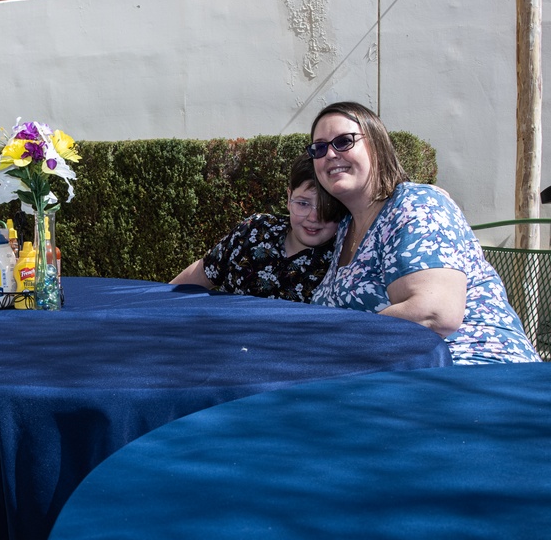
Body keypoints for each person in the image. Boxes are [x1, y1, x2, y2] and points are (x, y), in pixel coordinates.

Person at [307, 101, 539, 364]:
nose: (330, 154)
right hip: (399, 373)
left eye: (343, 141)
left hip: (474, 366)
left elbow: (436, 313)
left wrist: (332, 339)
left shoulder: (417, 204)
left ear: (377, 146)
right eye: (320, 148)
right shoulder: (346, 228)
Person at [170, 154, 345, 302]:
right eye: (303, 203)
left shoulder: (340, 262)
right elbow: (203, 273)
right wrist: (158, 303)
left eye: (327, 207)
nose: (314, 217)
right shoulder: (256, 229)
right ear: (289, 198)